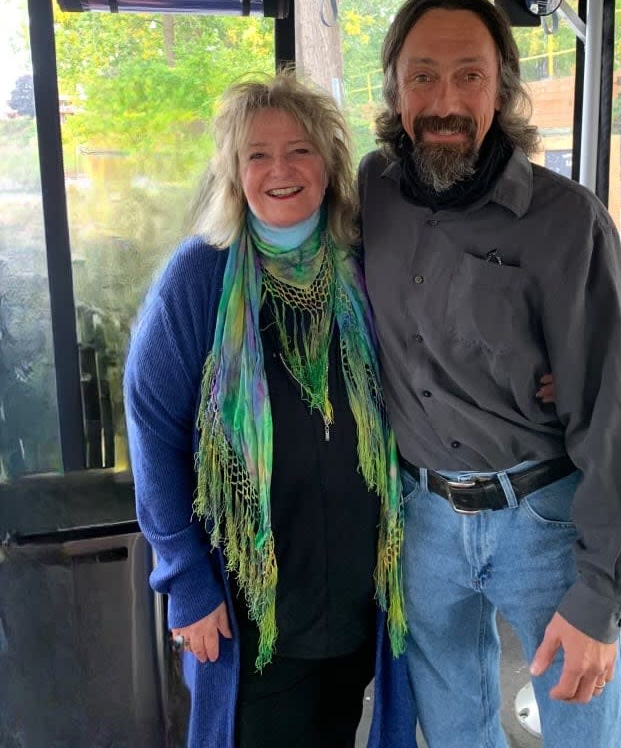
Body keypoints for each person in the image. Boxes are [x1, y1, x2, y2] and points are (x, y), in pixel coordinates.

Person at [358, 0, 621, 748]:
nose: (446, 100)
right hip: (422, 519)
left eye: (470, 76)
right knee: (455, 733)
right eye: (423, 76)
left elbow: (610, 414)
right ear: (395, 87)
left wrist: (601, 593)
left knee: (585, 731)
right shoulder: (369, 194)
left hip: (545, 521)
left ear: (503, 88)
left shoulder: (568, 221)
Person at [124, 75, 409, 748]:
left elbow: (434, 354)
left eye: (300, 150)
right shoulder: (198, 279)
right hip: (248, 607)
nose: (280, 170)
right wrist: (186, 583)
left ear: (331, 163)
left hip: (347, 598)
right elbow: (152, 431)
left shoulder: (365, 265)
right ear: (233, 172)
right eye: (257, 155)